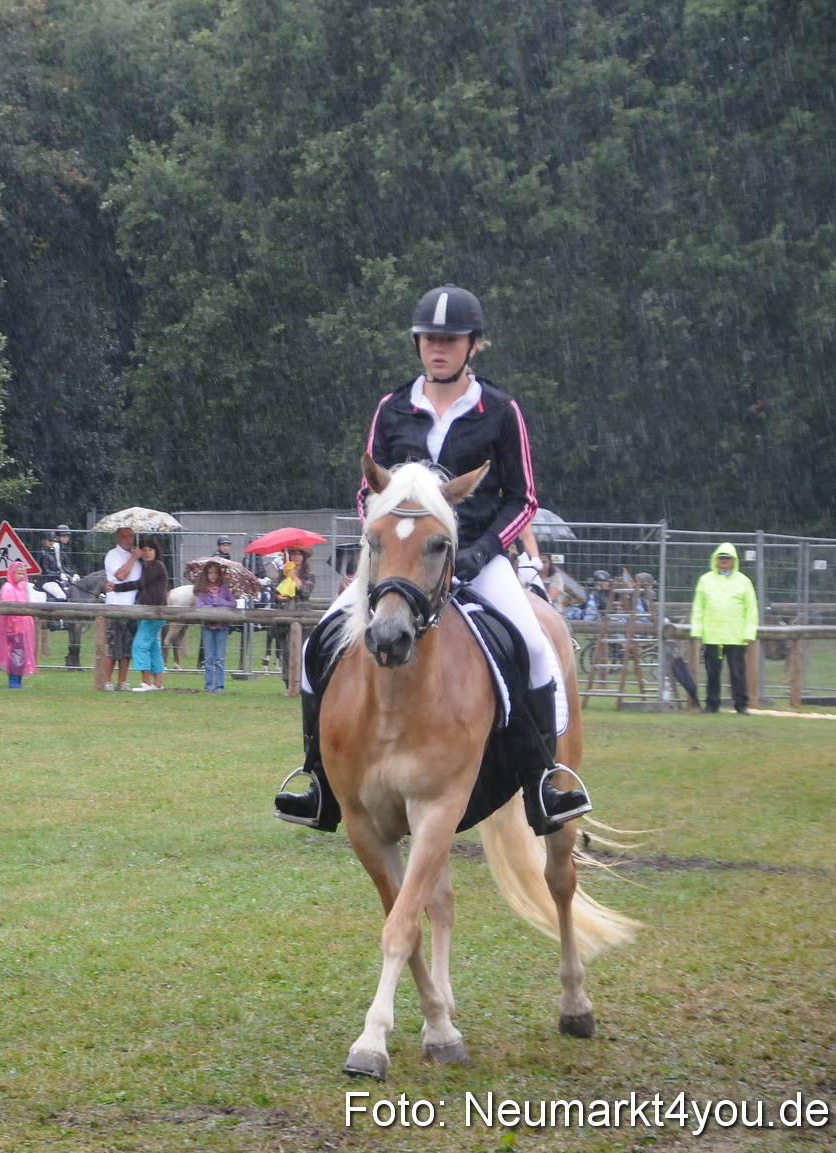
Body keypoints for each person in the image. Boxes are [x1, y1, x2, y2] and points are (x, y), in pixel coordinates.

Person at [276, 284, 590, 835]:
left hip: (479, 556)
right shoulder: (393, 409)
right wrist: (382, 544)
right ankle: (318, 780)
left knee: (537, 647)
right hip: (399, 561)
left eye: (450, 340)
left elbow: (524, 499)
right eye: (428, 340)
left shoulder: (500, 411)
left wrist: (483, 550)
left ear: (473, 346)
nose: (437, 349)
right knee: (322, 641)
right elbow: (367, 492)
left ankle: (545, 782)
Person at [691, 542, 758, 715]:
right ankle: (712, 704)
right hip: (712, 635)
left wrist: (749, 633)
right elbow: (698, 607)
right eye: (721, 558)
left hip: (736, 636)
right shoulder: (705, 580)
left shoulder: (744, 582)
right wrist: (697, 631)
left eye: (727, 558)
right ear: (716, 560)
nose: (724, 561)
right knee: (712, 672)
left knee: (737, 672)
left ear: (734, 560)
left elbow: (751, 610)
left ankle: (741, 704)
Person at [112, 535, 169, 691]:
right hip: (151, 613)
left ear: (156, 551)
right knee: (153, 647)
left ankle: (146, 682)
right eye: (144, 550)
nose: (147, 553)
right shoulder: (149, 567)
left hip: (154, 612)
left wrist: (116, 587)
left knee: (139, 645)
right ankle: (157, 682)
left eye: (150, 549)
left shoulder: (155, 566)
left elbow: (139, 583)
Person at [102, 526, 142, 690]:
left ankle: (122, 682)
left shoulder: (137, 557)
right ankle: (106, 681)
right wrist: (133, 558)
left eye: (131, 536)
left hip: (131, 607)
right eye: (125, 536)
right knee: (113, 647)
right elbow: (120, 575)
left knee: (127, 648)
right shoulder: (113, 555)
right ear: (118, 538)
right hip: (115, 606)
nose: (128, 540)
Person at [0, 559, 38, 688]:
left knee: (21, 654)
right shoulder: (7, 587)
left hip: (22, 627)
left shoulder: (21, 588)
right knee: (14, 654)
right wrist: (13, 625)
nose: (21, 576)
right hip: (12, 628)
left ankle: (18, 679)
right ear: (12, 573)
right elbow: (7, 608)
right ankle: (13, 680)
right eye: (18, 573)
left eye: (23, 574)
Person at [195, 558, 235, 692]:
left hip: (222, 627)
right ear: (206, 574)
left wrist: (221, 602)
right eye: (210, 573)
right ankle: (208, 686)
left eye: (215, 573)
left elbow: (233, 603)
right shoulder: (202, 590)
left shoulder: (224, 589)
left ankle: (219, 686)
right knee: (208, 658)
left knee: (220, 658)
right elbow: (199, 605)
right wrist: (211, 607)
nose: (213, 575)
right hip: (208, 627)